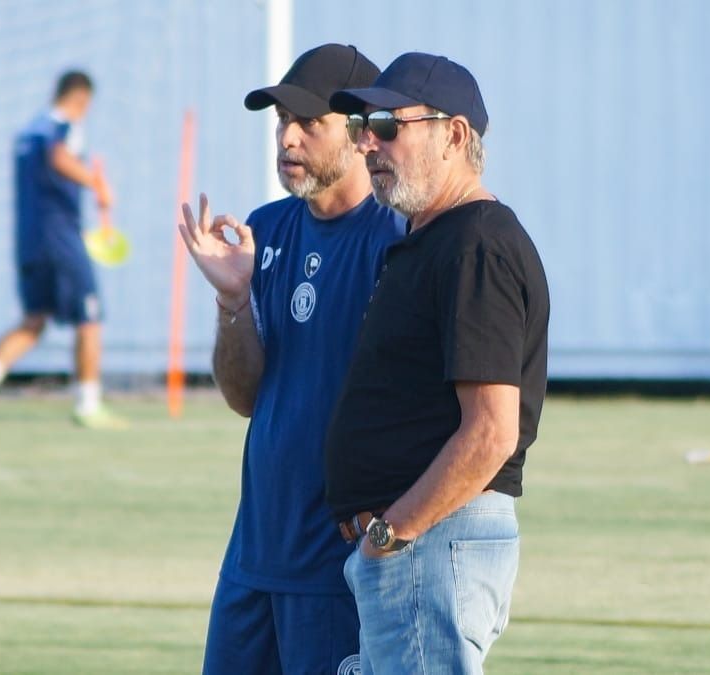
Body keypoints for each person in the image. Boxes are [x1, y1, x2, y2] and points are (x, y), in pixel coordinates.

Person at [178, 44, 403, 674]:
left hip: (339, 565)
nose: (289, 138)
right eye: (282, 121)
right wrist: (234, 302)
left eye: (309, 122)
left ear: (362, 135)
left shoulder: (398, 240)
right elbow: (244, 396)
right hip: (253, 557)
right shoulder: (265, 230)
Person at [323, 52, 550, 673]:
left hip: (433, 542)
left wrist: (391, 535)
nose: (368, 142)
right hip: (420, 544)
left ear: (454, 135)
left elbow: (491, 430)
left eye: (388, 125)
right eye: (358, 127)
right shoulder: (433, 240)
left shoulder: (476, 244)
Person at [0, 70, 127, 430]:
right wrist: (98, 185)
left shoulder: (27, 132)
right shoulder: (61, 127)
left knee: (36, 318)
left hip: (30, 239)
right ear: (81, 99)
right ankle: (88, 404)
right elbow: (59, 158)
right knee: (89, 317)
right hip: (61, 237)